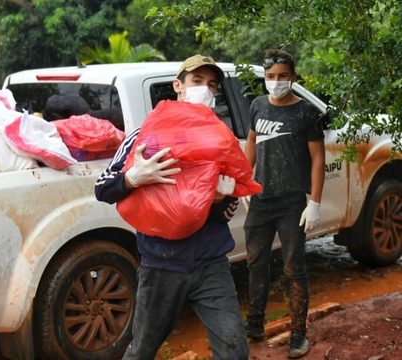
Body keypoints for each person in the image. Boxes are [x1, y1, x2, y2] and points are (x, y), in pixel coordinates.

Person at [94, 54, 249, 360]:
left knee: (234, 348)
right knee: (142, 350)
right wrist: (132, 178)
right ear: (178, 86)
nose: (205, 89)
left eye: (212, 85)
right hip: (161, 265)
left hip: (210, 264)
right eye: (197, 81)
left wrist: (221, 198)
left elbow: (223, 214)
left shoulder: (221, 141)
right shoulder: (145, 135)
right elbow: (102, 188)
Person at [243, 49, 325, 358]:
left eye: (282, 76)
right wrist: (242, 183)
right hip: (260, 200)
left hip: (292, 203)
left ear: (293, 77)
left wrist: (314, 202)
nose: (275, 82)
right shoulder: (257, 105)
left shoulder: (305, 113)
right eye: (270, 77)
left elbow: (318, 159)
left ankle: (298, 334)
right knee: (255, 264)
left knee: (294, 269)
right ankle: (254, 324)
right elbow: (252, 143)